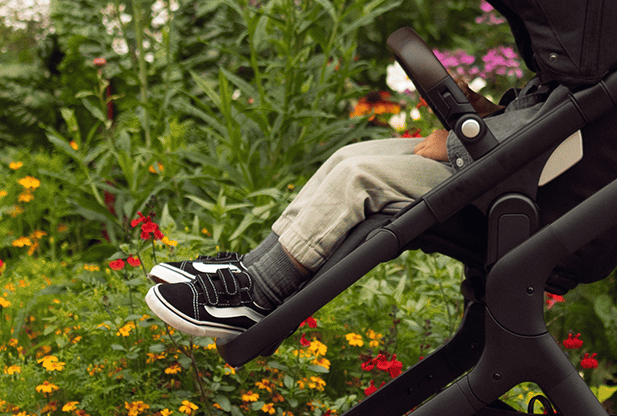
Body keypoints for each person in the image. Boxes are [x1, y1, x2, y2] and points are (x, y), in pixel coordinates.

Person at [145, 80, 498, 339]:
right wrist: (489, 112)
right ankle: (252, 267)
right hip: (509, 146)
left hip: (513, 176)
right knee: (348, 156)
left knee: (359, 176)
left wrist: (462, 144)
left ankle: (258, 294)